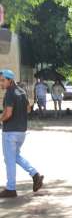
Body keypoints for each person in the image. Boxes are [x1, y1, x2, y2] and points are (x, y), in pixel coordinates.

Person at [0, 70, 44, 198]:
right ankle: (35, 175)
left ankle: (11, 188)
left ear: (10, 80)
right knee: (15, 156)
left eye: (3, 80)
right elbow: (28, 109)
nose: (1, 83)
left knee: (9, 159)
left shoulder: (10, 93)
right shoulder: (22, 92)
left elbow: (8, 114)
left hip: (10, 132)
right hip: (21, 132)